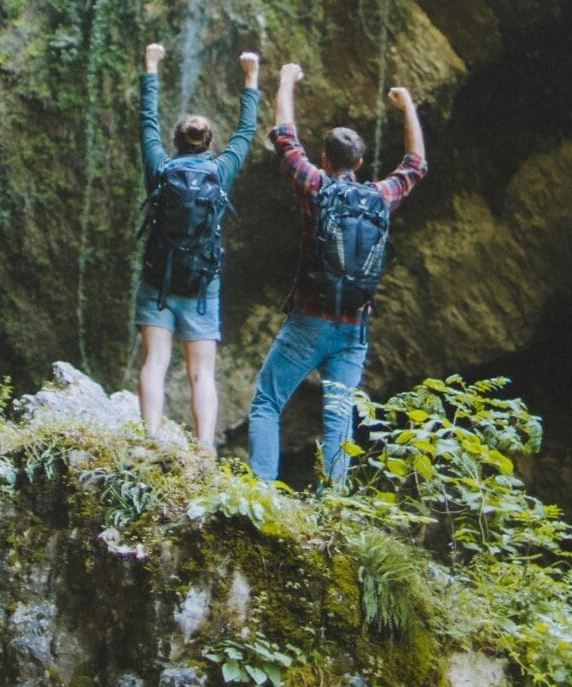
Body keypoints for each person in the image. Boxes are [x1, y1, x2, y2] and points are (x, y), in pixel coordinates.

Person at [248, 61, 427, 487]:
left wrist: (286, 81)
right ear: (361, 162)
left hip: (308, 320)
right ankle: (333, 507)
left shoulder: (315, 188)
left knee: (267, 403)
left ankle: (259, 493)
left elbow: (286, 139)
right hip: (353, 329)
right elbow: (416, 164)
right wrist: (407, 107)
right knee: (338, 418)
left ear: (325, 159)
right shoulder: (381, 197)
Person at [137, 41, 260, 450]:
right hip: (203, 285)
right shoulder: (221, 171)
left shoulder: (160, 169)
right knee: (201, 373)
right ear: (210, 144)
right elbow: (246, 131)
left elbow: (146, 123)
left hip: (159, 278)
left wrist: (150, 66)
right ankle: (205, 449)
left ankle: (150, 439)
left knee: (155, 362)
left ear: (175, 142)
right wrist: (250, 76)